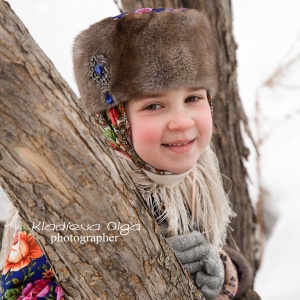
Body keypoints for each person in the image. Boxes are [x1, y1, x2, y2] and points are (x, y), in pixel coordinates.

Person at [0, 7, 252, 300]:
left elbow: (203, 249)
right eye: (154, 106)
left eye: (193, 98)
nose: (182, 121)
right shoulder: (71, 197)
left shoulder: (195, 177)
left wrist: (224, 274)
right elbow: (23, 291)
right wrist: (139, 279)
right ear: (114, 121)